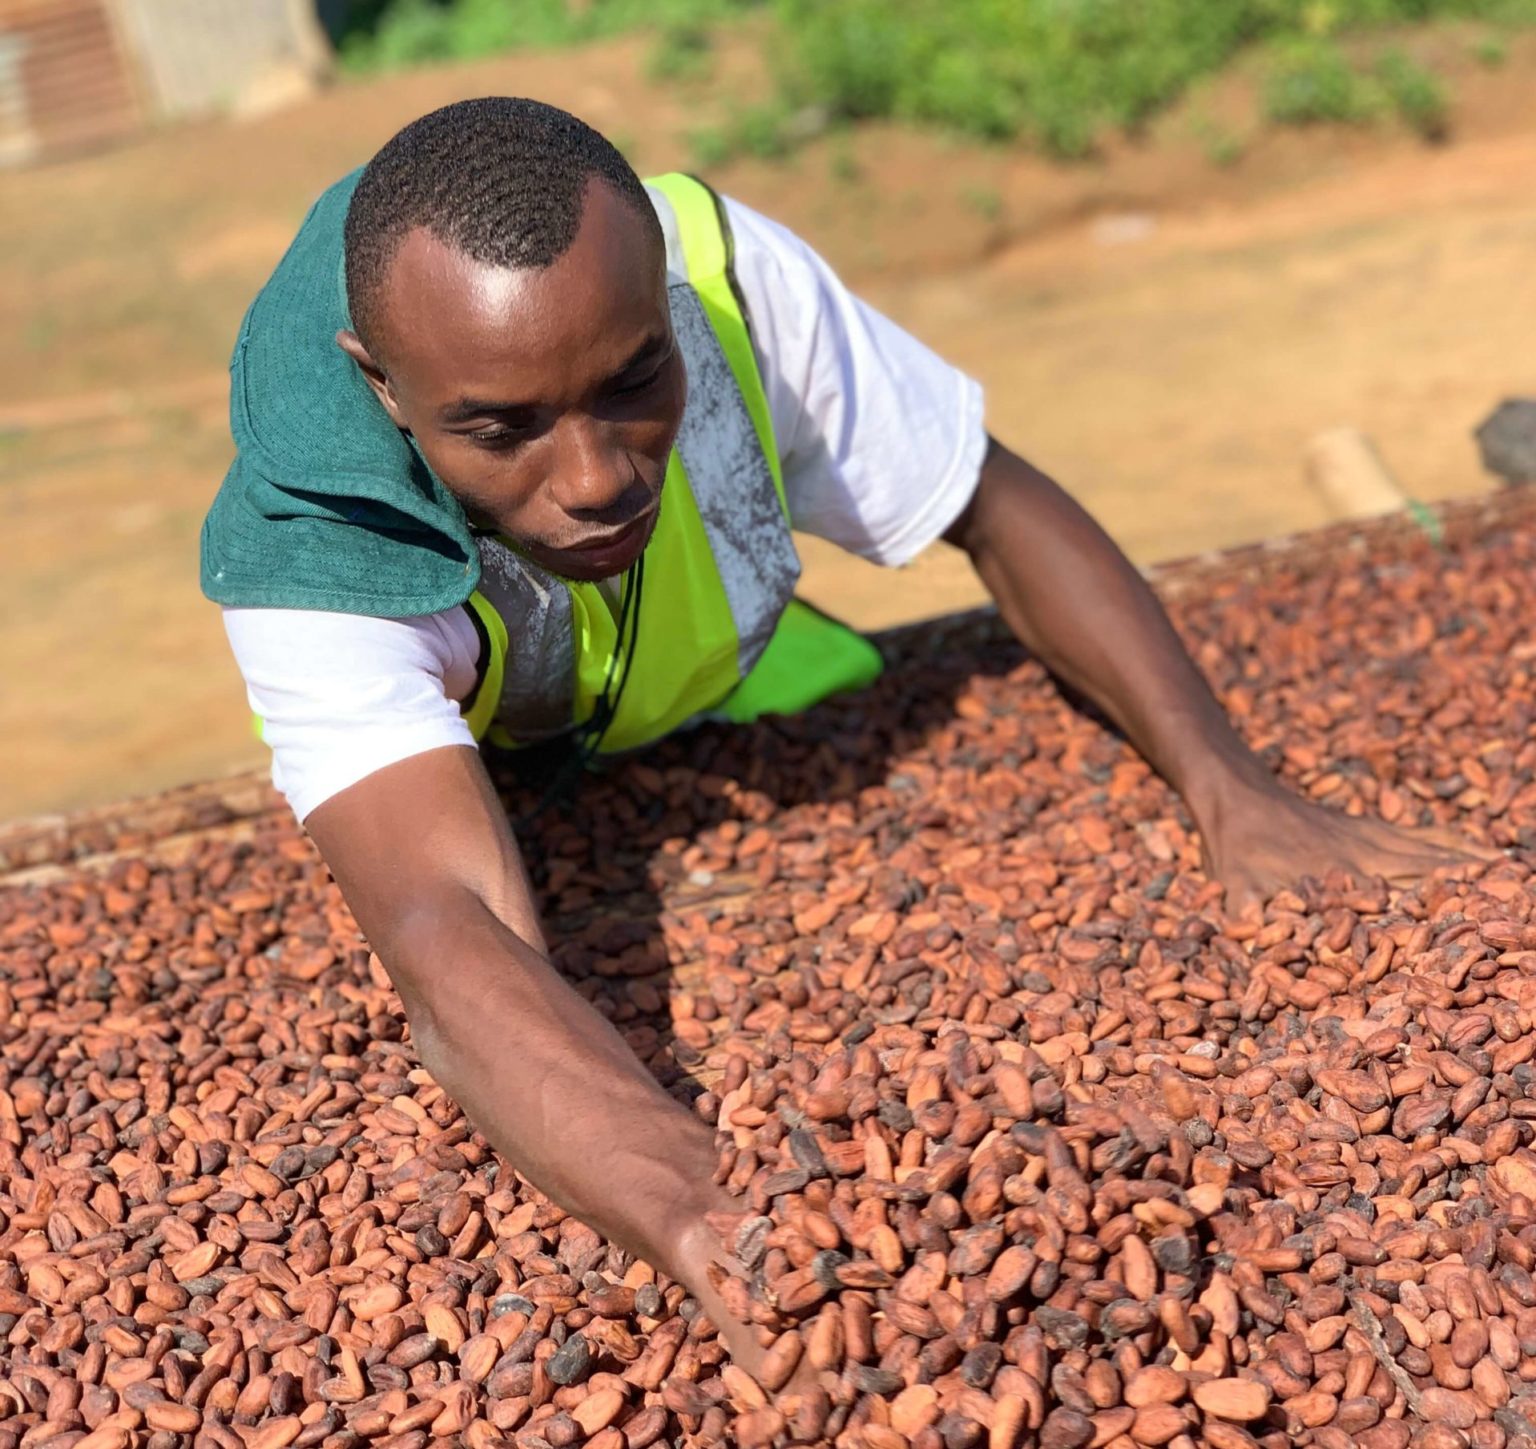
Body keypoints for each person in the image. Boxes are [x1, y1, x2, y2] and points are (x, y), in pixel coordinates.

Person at [201, 97, 1481, 1379]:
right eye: (502, 428)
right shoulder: (309, 549)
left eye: (634, 381)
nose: (593, 475)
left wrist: (1233, 787)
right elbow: (444, 922)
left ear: (658, 285)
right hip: (501, 780)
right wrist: (714, 1215)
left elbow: (991, 500)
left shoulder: (730, 277)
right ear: (382, 380)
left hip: (714, 689)